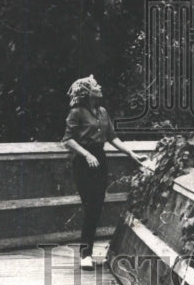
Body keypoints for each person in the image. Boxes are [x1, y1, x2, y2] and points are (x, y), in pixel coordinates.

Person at [62, 75, 145, 269]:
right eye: (95, 85)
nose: (99, 86)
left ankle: (87, 252)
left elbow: (112, 138)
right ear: (87, 92)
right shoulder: (77, 112)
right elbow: (67, 140)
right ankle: (85, 254)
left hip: (100, 160)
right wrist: (86, 155)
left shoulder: (102, 112)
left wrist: (132, 153)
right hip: (83, 163)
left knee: (97, 206)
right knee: (90, 206)